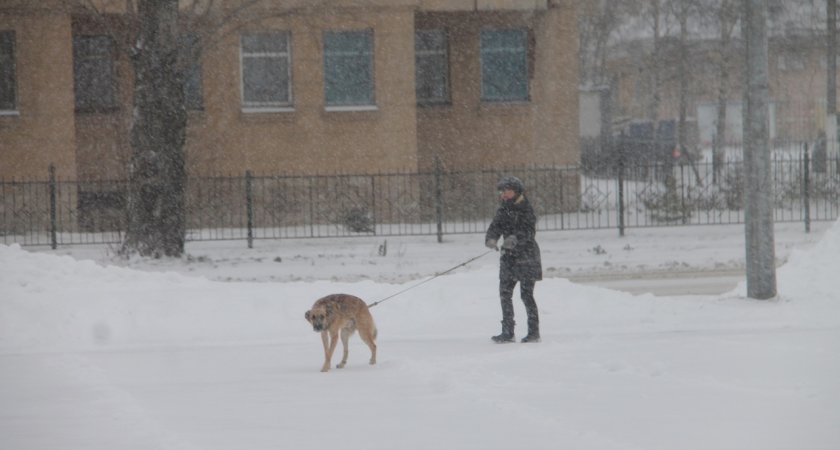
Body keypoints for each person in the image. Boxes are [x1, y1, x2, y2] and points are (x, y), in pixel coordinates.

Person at [485, 176, 542, 343]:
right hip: (509, 257)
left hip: (527, 257)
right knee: (505, 294)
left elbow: (529, 232)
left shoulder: (526, 209)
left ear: (516, 192)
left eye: (506, 191)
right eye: (502, 191)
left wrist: (515, 239)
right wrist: (491, 239)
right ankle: (507, 331)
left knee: (526, 295)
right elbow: (495, 226)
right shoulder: (503, 209)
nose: (503, 194)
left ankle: (533, 332)